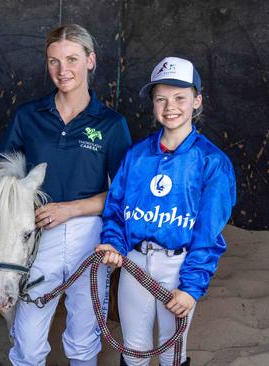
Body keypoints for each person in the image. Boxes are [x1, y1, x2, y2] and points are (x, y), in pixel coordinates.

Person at [0, 24, 131, 365]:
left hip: (90, 235)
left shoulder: (112, 124)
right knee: (26, 342)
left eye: (71, 59)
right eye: (54, 61)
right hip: (38, 236)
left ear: (90, 60)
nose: (62, 70)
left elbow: (124, 194)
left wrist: (71, 209)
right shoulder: (28, 116)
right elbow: (1, 180)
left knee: (84, 340)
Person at [96, 56, 236, 366]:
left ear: (196, 101)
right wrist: (114, 243)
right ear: (153, 103)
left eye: (179, 98)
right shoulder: (136, 155)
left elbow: (208, 234)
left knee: (172, 351)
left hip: (179, 265)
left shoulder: (212, 162)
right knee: (134, 349)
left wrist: (191, 287)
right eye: (161, 98)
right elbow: (116, 208)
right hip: (135, 262)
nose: (170, 106)